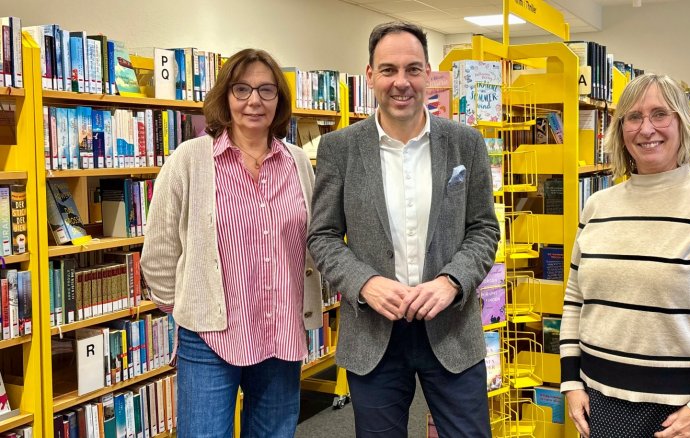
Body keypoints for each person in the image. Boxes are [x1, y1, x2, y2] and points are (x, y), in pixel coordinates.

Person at [307, 21, 500, 437]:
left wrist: (451, 281)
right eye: (389, 69)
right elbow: (322, 236)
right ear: (370, 75)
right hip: (373, 333)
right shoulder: (340, 148)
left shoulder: (465, 143)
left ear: (428, 74)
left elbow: (483, 228)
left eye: (413, 69)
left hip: (451, 328)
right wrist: (365, 283)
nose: (401, 82)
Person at [561, 74, 690, 438]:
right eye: (633, 117)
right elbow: (576, 301)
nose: (646, 128)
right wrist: (571, 382)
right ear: (620, 130)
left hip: (685, 411)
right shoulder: (596, 206)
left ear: (683, 125)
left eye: (660, 114)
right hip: (601, 404)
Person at [140, 48, 323, 438]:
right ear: (225, 96)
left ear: (279, 99)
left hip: (281, 332)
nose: (254, 100)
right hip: (209, 338)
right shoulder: (189, 160)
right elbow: (158, 253)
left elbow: (310, 242)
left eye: (266, 90)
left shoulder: (298, 163)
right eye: (242, 89)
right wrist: (189, 305)